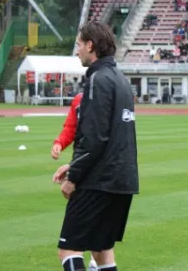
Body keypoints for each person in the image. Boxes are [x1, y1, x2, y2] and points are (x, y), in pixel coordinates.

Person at [52, 21, 139, 271]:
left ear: (91, 45)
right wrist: (73, 164)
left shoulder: (98, 80)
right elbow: (110, 137)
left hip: (99, 183)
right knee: (101, 251)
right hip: (123, 180)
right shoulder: (121, 80)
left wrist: (74, 177)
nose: (76, 50)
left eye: (79, 45)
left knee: (68, 249)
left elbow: (93, 138)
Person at [51, 91, 99, 271]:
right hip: (109, 175)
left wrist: (74, 171)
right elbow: (70, 127)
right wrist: (59, 143)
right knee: (102, 247)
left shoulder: (99, 97)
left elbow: (96, 140)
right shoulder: (80, 100)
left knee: (68, 249)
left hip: (89, 176)